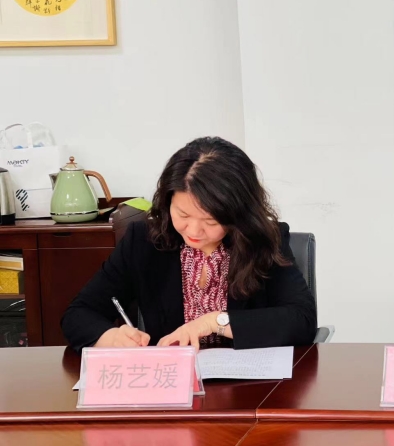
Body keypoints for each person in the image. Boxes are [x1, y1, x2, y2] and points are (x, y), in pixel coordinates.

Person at [62, 137, 317, 351]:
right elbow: (78, 313)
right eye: (183, 214)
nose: (193, 230)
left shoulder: (263, 239)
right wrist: (109, 336)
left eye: (210, 220)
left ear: (239, 213)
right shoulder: (144, 241)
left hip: (251, 387)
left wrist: (214, 322)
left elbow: (302, 320)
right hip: (172, 387)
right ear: (167, 202)